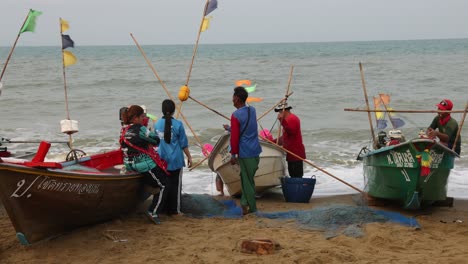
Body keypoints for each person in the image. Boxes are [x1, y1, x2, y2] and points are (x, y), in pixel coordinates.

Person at [120, 105, 169, 224]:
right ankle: (153, 211)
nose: (143, 119)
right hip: (142, 165)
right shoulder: (140, 128)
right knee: (164, 185)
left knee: (149, 182)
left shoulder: (124, 130)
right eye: (142, 116)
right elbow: (156, 140)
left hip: (128, 164)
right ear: (136, 118)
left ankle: (138, 202)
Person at [223, 86, 262, 215]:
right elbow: (248, 129)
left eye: (233, 97)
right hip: (256, 151)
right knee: (247, 179)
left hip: (245, 153)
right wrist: (231, 128)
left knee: (248, 182)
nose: (232, 100)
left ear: (238, 99)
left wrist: (233, 155)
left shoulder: (235, 115)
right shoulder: (253, 110)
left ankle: (253, 208)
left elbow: (235, 139)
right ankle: (244, 204)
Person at [154, 99, 192, 216]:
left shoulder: (157, 124)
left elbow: (155, 143)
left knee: (165, 185)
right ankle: (175, 210)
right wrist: (189, 157)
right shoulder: (178, 124)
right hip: (176, 160)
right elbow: (183, 144)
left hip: (162, 160)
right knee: (176, 186)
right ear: (174, 110)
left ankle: (164, 209)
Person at [274, 102, 306, 178]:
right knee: (293, 175)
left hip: (296, 153)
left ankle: (297, 189)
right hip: (291, 154)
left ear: (285, 110)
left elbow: (291, 132)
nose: (279, 113)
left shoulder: (292, 119)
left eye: (281, 111)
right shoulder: (288, 120)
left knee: (296, 176)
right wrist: (273, 141)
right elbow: (285, 138)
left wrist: (282, 121)